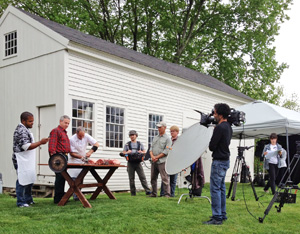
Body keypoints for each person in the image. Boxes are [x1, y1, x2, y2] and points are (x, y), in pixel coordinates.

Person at [203, 103, 232, 225]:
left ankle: (217, 218)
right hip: (225, 161)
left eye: (215, 113)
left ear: (220, 115)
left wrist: (214, 132)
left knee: (215, 189)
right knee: (221, 189)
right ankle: (222, 214)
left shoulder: (220, 128)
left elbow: (212, 146)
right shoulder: (228, 126)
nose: (213, 115)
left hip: (219, 161)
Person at [12, 112, 49, 207]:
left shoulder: (26, 129)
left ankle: (28, 199)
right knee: (22, 179)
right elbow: (25, 146)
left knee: (29, 178)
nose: (32, 123)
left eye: (33, 121)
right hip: (21, 159)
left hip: (27, 159)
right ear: (23, 121)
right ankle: (21, 201)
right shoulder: (21, 130)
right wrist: (40, 142)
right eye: (30, 121)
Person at [69, 126, 100, 200]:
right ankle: (75, 195)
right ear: (76, 133)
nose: (81, 137)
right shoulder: (71, 139)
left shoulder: (86, 136)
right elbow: (72, 153)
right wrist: (81, 157)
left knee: (81, 177)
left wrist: (90, 152)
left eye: (82, 136)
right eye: (80, 136)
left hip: (83, 160)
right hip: (74, 160)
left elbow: (96, 144)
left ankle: (78, 195)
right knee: (74, 178)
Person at [48, 115, 71, 204]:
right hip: (58, 157)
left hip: (64, 156)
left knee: (63, 177)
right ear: (60, 121)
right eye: (65, 123)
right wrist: (54, 159)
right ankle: (58, 199)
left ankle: (62, 197)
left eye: (68, 123)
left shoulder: (64, 132)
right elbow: (52, 146)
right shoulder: (55, 131)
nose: (67, 125)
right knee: (59, 177)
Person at [122, 130, 151, 196]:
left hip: (138, 163)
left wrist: (142, 152)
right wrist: (127, 152)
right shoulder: (127, 144)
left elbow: (144, 152)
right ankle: (133, 193)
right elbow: (123, 153)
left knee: (142, 177)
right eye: (131, 135)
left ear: (136, 135)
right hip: (130, 163)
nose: (132, 136)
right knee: (131, 179)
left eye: (133, 135)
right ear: (129, 136)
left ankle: (147, 191)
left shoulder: (140, 144)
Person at [149, 121, 172, 197]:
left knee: (164, 179)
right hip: (154, 161)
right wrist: (152, 156)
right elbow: (151, 148)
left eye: (160, 127)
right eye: (158, 127)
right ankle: (154, 193)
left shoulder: (168, 139)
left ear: (164, 128)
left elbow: (166, 151)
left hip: (162, 161)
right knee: (153, 178)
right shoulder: (155, 137)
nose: (158, 129)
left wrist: (157, 157)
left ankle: (167, 194)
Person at [160, 125, 180, 197]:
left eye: (173, 131)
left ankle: (172, 194)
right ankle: (163, 193)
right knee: (165, 178)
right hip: (167, 161)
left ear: (177, 132)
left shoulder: (179, 141)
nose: (171, 133)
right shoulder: (168, 140)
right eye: (171, 131)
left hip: (175, 162)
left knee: (173, 180)